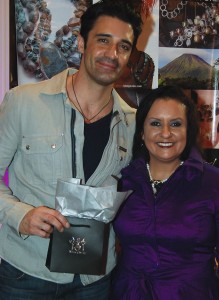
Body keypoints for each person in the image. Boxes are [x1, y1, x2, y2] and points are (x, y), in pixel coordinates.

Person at [0, 1, 142, 299]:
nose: (112, 54)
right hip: (26, 271)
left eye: (124, 46)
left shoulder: (131, 122)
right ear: (81, 41)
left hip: (94, 279)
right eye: (103, 40)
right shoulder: (23, 102)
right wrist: (18, 214)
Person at [111, 85, 219, 300]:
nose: (166, 133)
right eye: (156, 123)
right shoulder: (123, 181)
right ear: (142, 132)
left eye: (176, 124)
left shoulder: (212, 182)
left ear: (188, 131)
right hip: (129, 293)